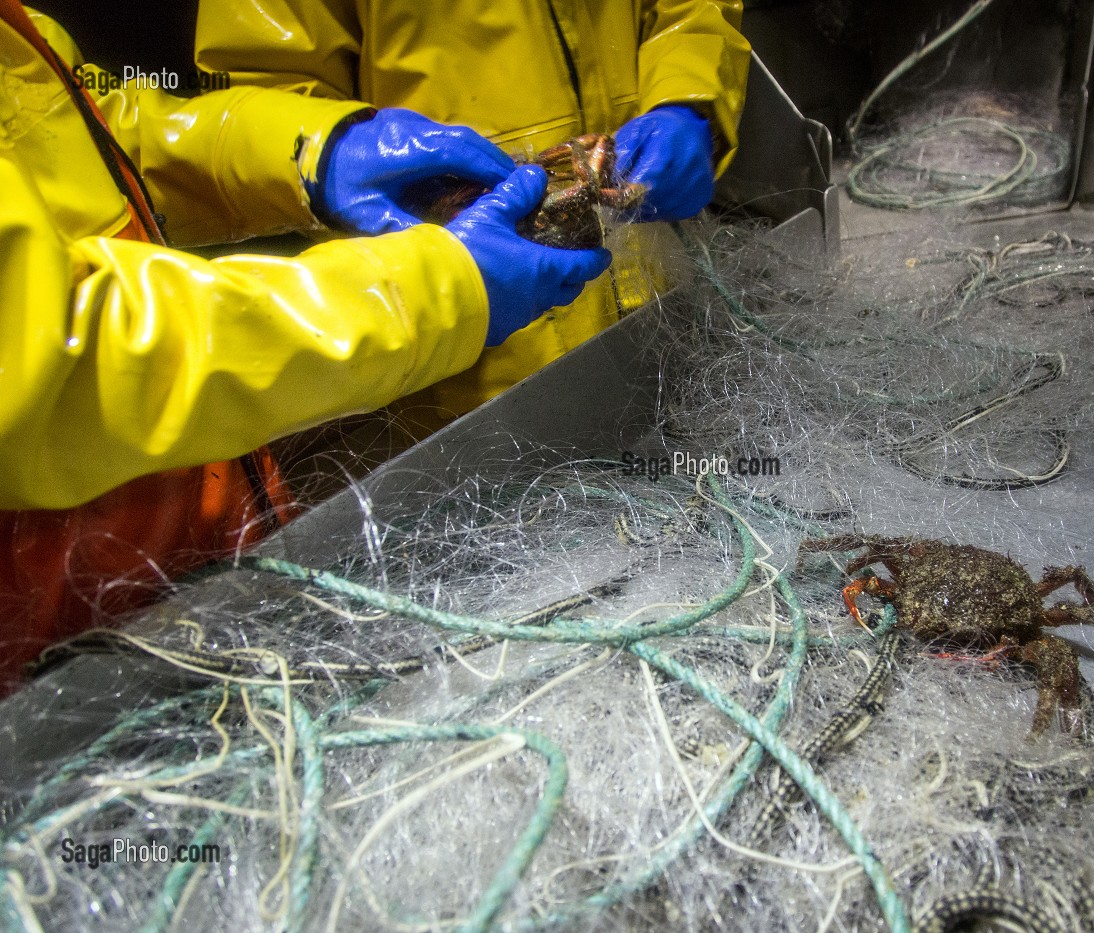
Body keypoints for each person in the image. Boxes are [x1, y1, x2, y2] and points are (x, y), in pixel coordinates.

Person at [0, 1, 611, 688]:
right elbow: (60, 353)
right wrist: (435, 288)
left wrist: (316, 147)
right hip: (46, 653)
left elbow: (87, 128)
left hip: (205, 542)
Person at [197, 0, 750, 438]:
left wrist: (688, 96)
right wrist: (328, 148)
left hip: (655, 301)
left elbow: (691, 10)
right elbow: (249, 97)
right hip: (460, 374)